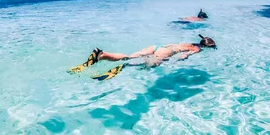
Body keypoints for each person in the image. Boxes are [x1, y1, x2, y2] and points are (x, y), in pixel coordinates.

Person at [69, 35, 217, 80]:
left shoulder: (187, 42)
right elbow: (185, 55)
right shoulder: (197, 48)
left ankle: (102, 54)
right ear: (206, 46)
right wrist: (175, 62)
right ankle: (121, 67)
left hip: (157, 46)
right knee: (139, 65)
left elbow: (174, 45)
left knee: (128, 56)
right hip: (164, 54)